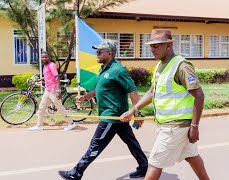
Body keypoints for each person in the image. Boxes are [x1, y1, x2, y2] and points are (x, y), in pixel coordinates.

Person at [120, 29, 210, 180]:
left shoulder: (181, 66)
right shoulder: (160, 66)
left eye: (156, 46)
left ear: (168, 46)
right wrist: (133, 109)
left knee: (154, 163)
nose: (152, 49)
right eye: (151, 46)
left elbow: (199, 96)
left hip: (175, 127)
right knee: (191, 156)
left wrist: (195, 126)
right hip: (171, 125)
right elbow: (151, 92)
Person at [58, 39, 148, 179]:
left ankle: (77, 172)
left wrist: (137, 113)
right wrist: (85, 97)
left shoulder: (118, 70)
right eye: (96, 51)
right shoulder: (103, 69)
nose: (97, 54)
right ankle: (144, 166)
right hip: (117, 117)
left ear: (110, 53)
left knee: (96, 144)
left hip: (112, 116)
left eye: (100, 51)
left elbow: (133, 90)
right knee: (131, 142)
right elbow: (98, 89)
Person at [29, 51, 76, 131]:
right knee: (41, 107)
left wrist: (58, 91)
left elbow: (57, 77)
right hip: (48, 90)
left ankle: (71, 123)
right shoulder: (45, 66)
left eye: (46, 57)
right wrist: (40, 79)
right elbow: (48, 76)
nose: (44, 58)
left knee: (59, 107)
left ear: (49, 58)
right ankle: (39, 126)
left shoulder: (52, 65)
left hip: (53, 90)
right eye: (43, 57)